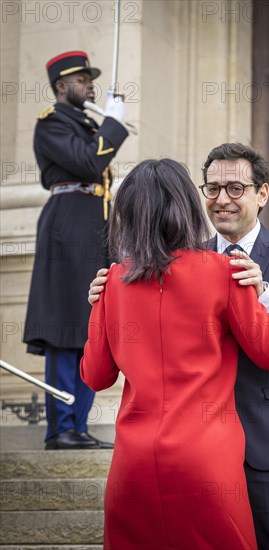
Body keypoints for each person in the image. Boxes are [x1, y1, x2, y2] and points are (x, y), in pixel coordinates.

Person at [89, 143, 269, 548]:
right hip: (208, 455)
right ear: (190, 200)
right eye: (212, 189)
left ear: (261, 194)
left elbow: (95, 374)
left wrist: (267, 293)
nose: (222, 199)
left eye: (235, 188)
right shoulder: (211, 269)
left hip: (259, 445)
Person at [23, 51, 129, 450]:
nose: (90, 85)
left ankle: (78, 426)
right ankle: (61, 427)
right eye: (82, 80)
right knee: (65, 328)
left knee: (90, 329)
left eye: (90, 79)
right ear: (61, 86)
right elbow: (87, 165)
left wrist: (106, 124)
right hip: (67, 227)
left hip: (93, 225)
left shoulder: (86, 124)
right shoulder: (51, 124)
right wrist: (115, 124)